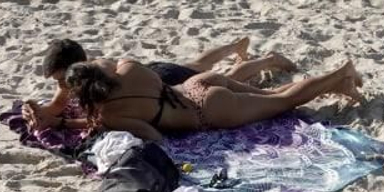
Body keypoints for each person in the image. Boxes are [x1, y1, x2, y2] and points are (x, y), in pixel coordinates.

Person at [23, 36, 296, 131]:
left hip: (163, 82)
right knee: (196, 65)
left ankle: (266, 60)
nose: (60, 85)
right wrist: (35, 111)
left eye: (60, 78)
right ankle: (234, 46)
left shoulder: (87, 78)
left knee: (226, 78)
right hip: (149, 73)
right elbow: (54, 107)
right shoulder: (83, 72)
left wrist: (53, 118)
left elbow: (64, 110)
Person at [65, 58, 365, 141]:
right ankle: (341, 83)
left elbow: (152, 135)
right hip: (196, 84)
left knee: (283, 101)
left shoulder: (111, 114)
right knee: (276, 95)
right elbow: (111, 62)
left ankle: (341, 72)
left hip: (208, 112)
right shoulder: (129, 69)